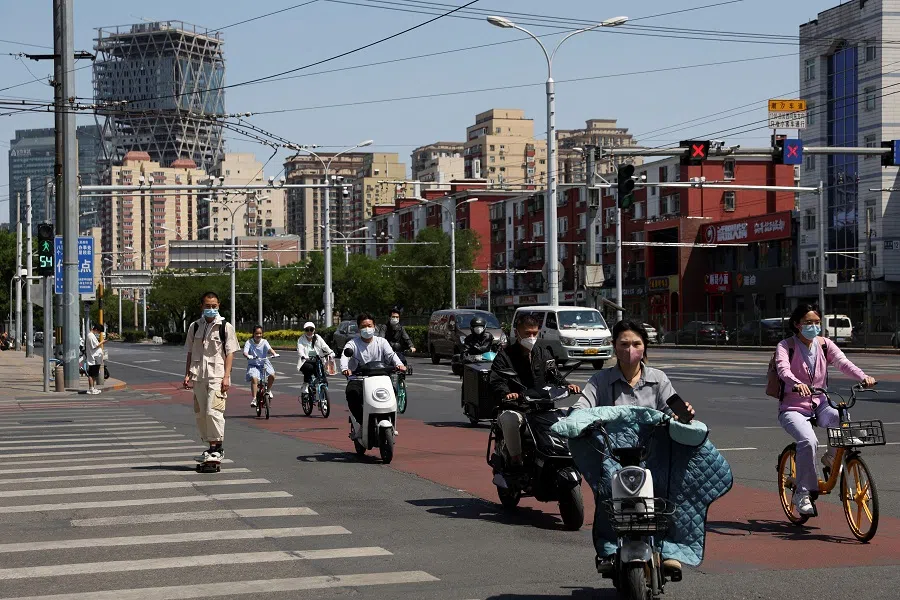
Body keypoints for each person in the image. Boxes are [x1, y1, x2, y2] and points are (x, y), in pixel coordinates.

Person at [572, 320, 693, 575]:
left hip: (654, 453)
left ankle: (670, 550)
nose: (630, 350)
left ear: (645, 347)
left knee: (670, 489)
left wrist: (684, 414)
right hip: (613, 454)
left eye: (636, 344)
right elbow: (582, 406)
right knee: (607, 490)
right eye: (624, 344)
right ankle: (607, 549)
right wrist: (575, 418)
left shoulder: (658, 379)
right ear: (615, 347)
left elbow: (673, 409)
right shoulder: (600, 380)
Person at [775, 303, 875, 517]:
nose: (814, 326)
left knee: (842, 416)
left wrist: (863, 377)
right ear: (797, 324)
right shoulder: (786, 346)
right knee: (809, 441)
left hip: (820, 403)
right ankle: (802, 493)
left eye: (817, 322)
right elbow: (783, 369)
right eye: (808, 322)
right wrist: (795, 383)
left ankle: (831, 458)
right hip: (793, 407)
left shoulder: (824, 345)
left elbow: (843, 362)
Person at [489, 314, 580, 470]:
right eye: (527, 334)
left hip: (543, 408)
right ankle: (516, 460)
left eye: (534, 333)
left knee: (572, 415)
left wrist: (567, 385)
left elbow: (554, 376)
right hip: (517, 408)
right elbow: (497, 380)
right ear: (517, 332)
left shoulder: (544, 353)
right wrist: (507, 393)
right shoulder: (504, 356)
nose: (531, 337)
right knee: (509, 420)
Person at [183, 291, 239, 463]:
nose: (211, 309)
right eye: (207, 306)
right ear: (202, 306)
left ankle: (217, 448)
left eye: (214, 306)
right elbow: (190, 352)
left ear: (219, 306)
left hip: (217, 375)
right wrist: (187, 374)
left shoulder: (225, 326)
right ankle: (211, 447)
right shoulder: (194, 326)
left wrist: (227, 376)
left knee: (213, 411)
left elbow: (230, 353)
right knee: (201, 413)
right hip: (199, 375)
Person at [340, 312, 406, 433]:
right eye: (363, 326)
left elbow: (391, 355)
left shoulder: (382, 342)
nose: (367, 329)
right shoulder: (352, 343)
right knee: (352, 393)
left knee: (392, 392)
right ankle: (362, 423)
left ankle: (390, 422)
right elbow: (345, 357)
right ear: (359, 328)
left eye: (369, 325)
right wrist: (345, 368)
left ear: (374, 326)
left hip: (381, 379)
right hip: (358, 379)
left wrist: (399, 364)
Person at [297, 322, 334, 399]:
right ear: (305, 330)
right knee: (309, 368)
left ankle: (324, 400)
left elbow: (325, 346)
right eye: (307, 330)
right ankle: (306, 385)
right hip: (306, 361)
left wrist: (331, 352)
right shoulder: (301, 339)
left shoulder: (318, 337)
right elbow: (300, 350)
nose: (309, 331)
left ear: (314, 330)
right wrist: (303, 356)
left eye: (311, 329)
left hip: (317, 360)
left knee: (323, 380)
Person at [243, 325, 277, 408]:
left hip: (264, 362)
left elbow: (269, 349)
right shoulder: (249, 342)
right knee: (254, 378)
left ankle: (268, 390)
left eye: (260, 333)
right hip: (253, 364)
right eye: (256, 333)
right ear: (253, 334)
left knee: (272, 375)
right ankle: (254, 398)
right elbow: (245, 352)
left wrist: (274, 353)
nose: (258, 335)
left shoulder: (264, 342)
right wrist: (248, 355)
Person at [84, 323, 105, 395]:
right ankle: (91, 389)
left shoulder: (91, 335)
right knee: (92, 374)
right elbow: (95, 345)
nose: (99, 333)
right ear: (96, 329)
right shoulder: (90, 336)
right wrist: (102, 342)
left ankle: (92, 388)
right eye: (99, 332)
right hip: (93, 358)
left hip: (95, 357)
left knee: (94, 374)